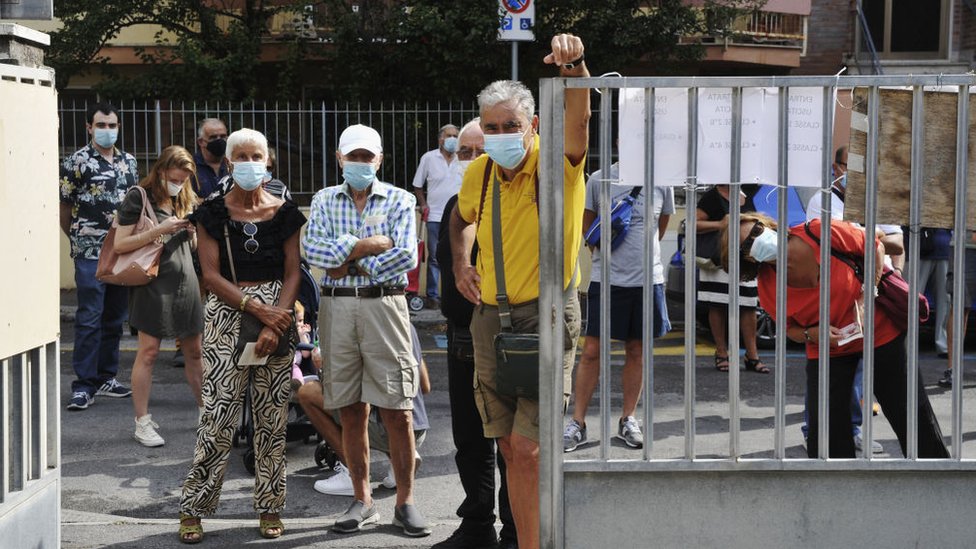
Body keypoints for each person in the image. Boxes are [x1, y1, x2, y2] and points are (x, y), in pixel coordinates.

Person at [449, 34, 590, 549]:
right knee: (508, 446)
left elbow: (578, 121)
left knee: (530, 451)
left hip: (548, 315)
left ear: (532, 125)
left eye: (511, 126)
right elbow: (461, 220)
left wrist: (574, 69)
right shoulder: (480, 171)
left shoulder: (558, 163)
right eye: (492, 127)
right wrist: (463, 261)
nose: (501, 134)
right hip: (490, 319)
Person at [721, 212, 949, 459]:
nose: (758, 239)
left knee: (910, 414)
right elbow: (791, 331)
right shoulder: (768, 286)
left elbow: (874, 246)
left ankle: (936, 480)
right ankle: (835, 488)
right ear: (747, 258)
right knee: (826, 431)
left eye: (757, 230)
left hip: (879, 331)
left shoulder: (817, 230)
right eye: (748, 244)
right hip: (828, 348)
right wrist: (811, 333)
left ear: (766, 225)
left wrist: (866, 295)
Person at [178, 128, 306, 544]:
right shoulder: (212, 211)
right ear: (229, 162)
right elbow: (210, 275)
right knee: (218, 418)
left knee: (272, 419)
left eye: (258, 155)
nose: (251, 163)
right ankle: (194, 507)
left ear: (268, 161)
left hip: (278, 314)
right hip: (228, 314)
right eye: (242, 156)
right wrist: (256, 310)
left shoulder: (285, 212)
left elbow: (293, 272)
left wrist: (275, 320)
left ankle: (270, 506)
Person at [303, 123, 430, 537]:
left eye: (367, 156)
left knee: (398, 409)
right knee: (351, 409)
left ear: (379, 160)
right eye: (352, 156)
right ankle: (363, 500)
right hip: (338, 310)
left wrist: (349, 259)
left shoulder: (399, 198)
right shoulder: (323, 199)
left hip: (384, 304)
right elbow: (313, 251)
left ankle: (405, 503)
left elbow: (406, 256)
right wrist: (369, 246)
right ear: (340, 159)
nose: (360, 163)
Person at [434, 118, 518, 549]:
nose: (469, 160)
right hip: (460, 337)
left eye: (478, 151)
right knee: (469, 440)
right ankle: (477, 524)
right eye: (463, 152)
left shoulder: (518, 201)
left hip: (504, 339)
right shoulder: (455, 204)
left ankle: (516, 529)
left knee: (508, 439)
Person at [563, 161, 674, 452]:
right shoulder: (599, 180)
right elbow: (589, 229)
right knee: (590, 352)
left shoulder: (661, 180)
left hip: (648, 280)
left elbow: (660, 227)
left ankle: (628, 418)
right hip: (607, 280)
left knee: (636, 350)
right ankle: (578, 422)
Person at [111, 146, 204, 447]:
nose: (179, 184)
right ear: (161, 170)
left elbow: (192, 248)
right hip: (152, 283)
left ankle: (207, 413)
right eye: (175, 178)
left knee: (195, 352)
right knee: (149, 352)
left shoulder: (184, 197)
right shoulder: (139, 196)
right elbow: (120, 245)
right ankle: (142, 422)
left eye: (185, 179)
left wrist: (191, 233)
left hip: (185, 281)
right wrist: (159, 230)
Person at [59, 102, 137, 411]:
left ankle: (106, 377)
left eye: (112, 125)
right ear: (89, 128)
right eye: (101, 125)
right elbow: (63, 207)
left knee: (115, 317)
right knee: (90, 317)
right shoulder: (76, 162)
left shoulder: (129, 162)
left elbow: (134, 207)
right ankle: (84, 385)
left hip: (122, 251)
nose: (107, 131)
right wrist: (78, 240)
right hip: (90, 253)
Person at [297, 323, 430, 495]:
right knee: (382, 400)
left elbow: (346, 387)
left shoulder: (361, 324)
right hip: (417, 426)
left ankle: (352, 473)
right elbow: (425, 386)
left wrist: (323, 365)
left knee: (308, 393)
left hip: (385, 425)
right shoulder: (407, 324)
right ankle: (400, 460)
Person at [696, 184, 768, 373]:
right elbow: (693, 223)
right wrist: (719, 224)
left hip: (744, 259)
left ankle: (752, 355)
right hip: (718, 258)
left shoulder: (744, 194)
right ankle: (721, 352)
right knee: (718, 303)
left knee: (748, 304)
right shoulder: (711, 197)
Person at [413, 123, 461, 308]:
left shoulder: (462, 157)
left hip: (459, 216)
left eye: (456, 135)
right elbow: (417, 184)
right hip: (434, 216)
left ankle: (455, 294)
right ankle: (433, 296)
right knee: (434, 257)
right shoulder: (429, 158)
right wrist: (423, 204)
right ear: (440, 139)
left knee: (457, 254)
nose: (453, 139)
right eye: (449, 135)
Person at [940, 231, 976, 387]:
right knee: (960, 307)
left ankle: (953, 370)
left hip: (966, 243)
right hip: (965, 244)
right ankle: (953, 370)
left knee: (961, 308)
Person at [191, 118, 229, 199]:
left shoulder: (233, 165)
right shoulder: (190, 167)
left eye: (223, 136)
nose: (219, 140)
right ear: (201, 142)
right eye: (213, 137)